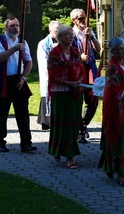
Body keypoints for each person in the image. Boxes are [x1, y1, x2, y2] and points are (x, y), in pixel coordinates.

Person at [0, 16, 37, 154]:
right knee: (2, 113)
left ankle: (26, 143)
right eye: (12, 26)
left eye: (17, 26)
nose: (15, 28)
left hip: (18, 80)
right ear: (6, 28)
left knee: (23, 113)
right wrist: (15, 49)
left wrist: (23, 77)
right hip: (3, 80)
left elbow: (29, 61)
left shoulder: (23, 42)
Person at [98, 37, 124, 187]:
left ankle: (112, 165)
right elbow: (113, 90)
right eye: (121, 48)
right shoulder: (112, 69)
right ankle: (121, 172)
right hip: (117, 108)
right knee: (119, 136)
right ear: (114, 52)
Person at [46, 26, 85, 168]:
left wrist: (79, 81)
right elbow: (53, 75)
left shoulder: (75, 52)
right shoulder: (54, 53)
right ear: (60, 36)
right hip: (60, 92)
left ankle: (70, 155)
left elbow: (80, 68)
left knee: (73, 122)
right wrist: (69, 82)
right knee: (60, 122)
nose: (71, 37)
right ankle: (58, 150)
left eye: (72, 35)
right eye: (68, 35)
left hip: (74, 91)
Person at [71, 9, 101, 143]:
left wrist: (92, 37)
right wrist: (79, 56)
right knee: (77, 100)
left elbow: (99, 49)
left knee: (93, 99)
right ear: (74, 20)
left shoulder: (89, 32)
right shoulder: (70, 34)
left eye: (84, 18)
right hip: (77, 70)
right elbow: (67, 53)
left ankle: (82, 125)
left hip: (89, 69)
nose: (83, 21)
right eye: (80, 19)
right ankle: (79, 130)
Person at [37, 20, 61, 130]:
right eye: (56, 30)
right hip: (49, 73)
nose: (58, 32)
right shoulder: (44, 44)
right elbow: (43, 60)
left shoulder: (62, 42)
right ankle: (47, 122)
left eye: (59, 30)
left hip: (60, 75)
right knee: (47, 94)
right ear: (50, 30)